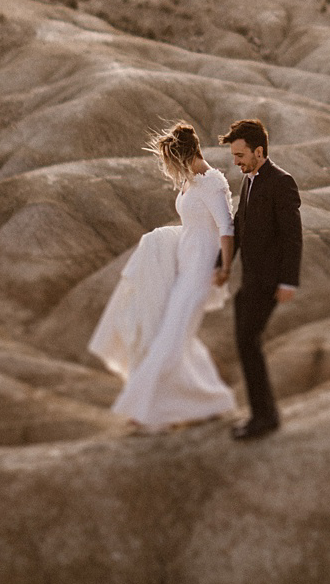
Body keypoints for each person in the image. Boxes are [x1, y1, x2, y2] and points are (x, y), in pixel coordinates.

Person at [87, 122, 238, 432]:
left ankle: (147, 413)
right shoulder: (191, 182)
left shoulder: (212, 183)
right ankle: (210, 402)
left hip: (200, 272)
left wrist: (224, 267)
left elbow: (226, 227)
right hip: (182, 267)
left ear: (184, 156)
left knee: (171, 339)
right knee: (176, 337)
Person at [218, 118, 303, 440]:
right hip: (249, 279)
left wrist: (288, 282)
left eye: (240, 156)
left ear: (259, 151)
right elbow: (239, 227)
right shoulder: (248, 181)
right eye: (234, 156)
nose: (236, 162)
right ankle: (263, 414)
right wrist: (222, 265)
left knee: (248, 344)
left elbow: (292, 236)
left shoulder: (281, 182)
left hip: (268, 281)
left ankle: (263, 418)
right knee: (246, 345)